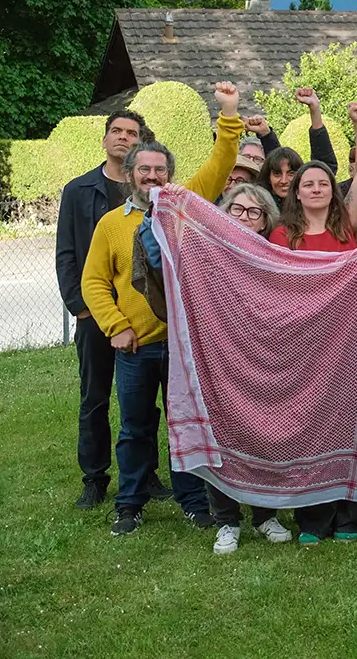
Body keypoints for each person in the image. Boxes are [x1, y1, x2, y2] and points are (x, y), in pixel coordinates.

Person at [80, 82, 244, 537]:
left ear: (169, 174)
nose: (152, 176)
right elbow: (93, 281)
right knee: (134, 428)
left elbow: (220, 164)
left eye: (160, 170)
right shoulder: (112, 224)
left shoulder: (184, 207)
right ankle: (129, 503)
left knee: (185, 426)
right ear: (131, 173)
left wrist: (227, 114)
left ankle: (193, 502)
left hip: (183, 345)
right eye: (144, 169)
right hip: (134, 347)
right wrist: (115, 326)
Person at [268, 102, 357, 544]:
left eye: (322, 183)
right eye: (307, 184)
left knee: (353, 422)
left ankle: (349, 518)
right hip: (305, 344)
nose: (315, 188)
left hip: (349, 340)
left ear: (333, 192)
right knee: (311, 428)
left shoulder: (346, 223)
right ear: (295, 193)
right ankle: (312, 520)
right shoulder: (282, 235)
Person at [57, 109, 169, 511]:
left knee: (140, 398)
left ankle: (147, 474)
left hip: (143, 322)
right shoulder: (79, 190)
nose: (122, 137)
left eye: (131, 132)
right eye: (116, 131)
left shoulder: (153, 189)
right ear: (105, 139)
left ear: (140, 142)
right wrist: (83, 311)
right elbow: (68, 255)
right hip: (95, 315)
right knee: (96, 397)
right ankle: (95, 477)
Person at [202, 182, 293, 554]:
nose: (244, 217)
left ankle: (265, 515)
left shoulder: (274, 254)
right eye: (237, 209)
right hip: (218, 355)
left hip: (264, 355)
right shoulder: (205, 251)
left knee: (266, 434)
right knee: (220, 436)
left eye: (254, 212)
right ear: (224, 213)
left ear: (264, 220)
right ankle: (226, 521)